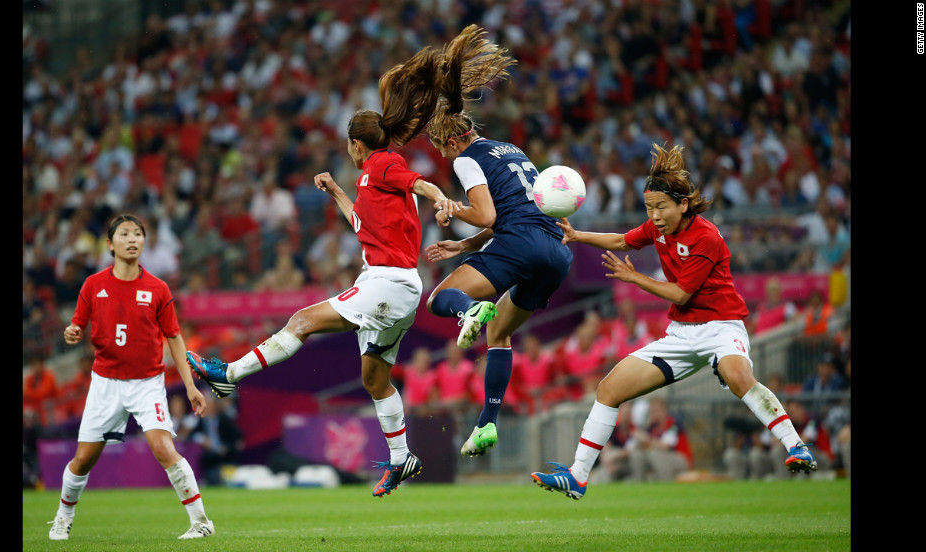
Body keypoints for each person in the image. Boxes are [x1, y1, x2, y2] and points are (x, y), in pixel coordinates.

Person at [185, 61, 461, 497]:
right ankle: (401, 458)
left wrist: (441, 197)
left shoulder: (383, 165)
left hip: (387, 283)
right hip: (398, 284)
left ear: (355, 144)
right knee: (375, 381)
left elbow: (418, 183)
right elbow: (361, 225)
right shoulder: (369, 180)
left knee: (301, 321)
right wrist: (336, 191)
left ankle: (229, 374)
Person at [531, 144, 817, 500]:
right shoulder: (658, 227)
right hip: (681, 334)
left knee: (739, 376)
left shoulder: (706, 236)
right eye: (649, 208)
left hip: (721, 327)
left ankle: (796, 446)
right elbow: (622, 240)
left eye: (660, 207)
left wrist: (635, 279)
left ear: (683, 204)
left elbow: (681, 294)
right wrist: (578, 236)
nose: (654, 215)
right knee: (608, 390)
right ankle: (578, 476)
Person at [418, 25, 574, 457]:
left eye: (443, 150)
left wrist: (452, 209)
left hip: (519, 242)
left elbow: (485, 214)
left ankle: (469, 310)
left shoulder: (468, 159)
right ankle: (486, 424)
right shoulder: (511, 149)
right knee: (499, 334)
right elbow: (510, 211)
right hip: (555, 251)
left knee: (439, 298)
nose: (447, 158)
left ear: (452, 140)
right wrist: (465, 247)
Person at [49, 214, 214, 540]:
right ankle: (61, 518)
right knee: (82, 460)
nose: (132, 239)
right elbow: (77, 325)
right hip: (105, 383)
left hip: (146, 384)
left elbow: (175, 338)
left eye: (138, 233)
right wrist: (71, 331)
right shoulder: (94, 285)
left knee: (164, 448)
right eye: (124, 234)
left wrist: (192, 386)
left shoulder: (157, 288)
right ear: (110, 244)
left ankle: (201, 523)